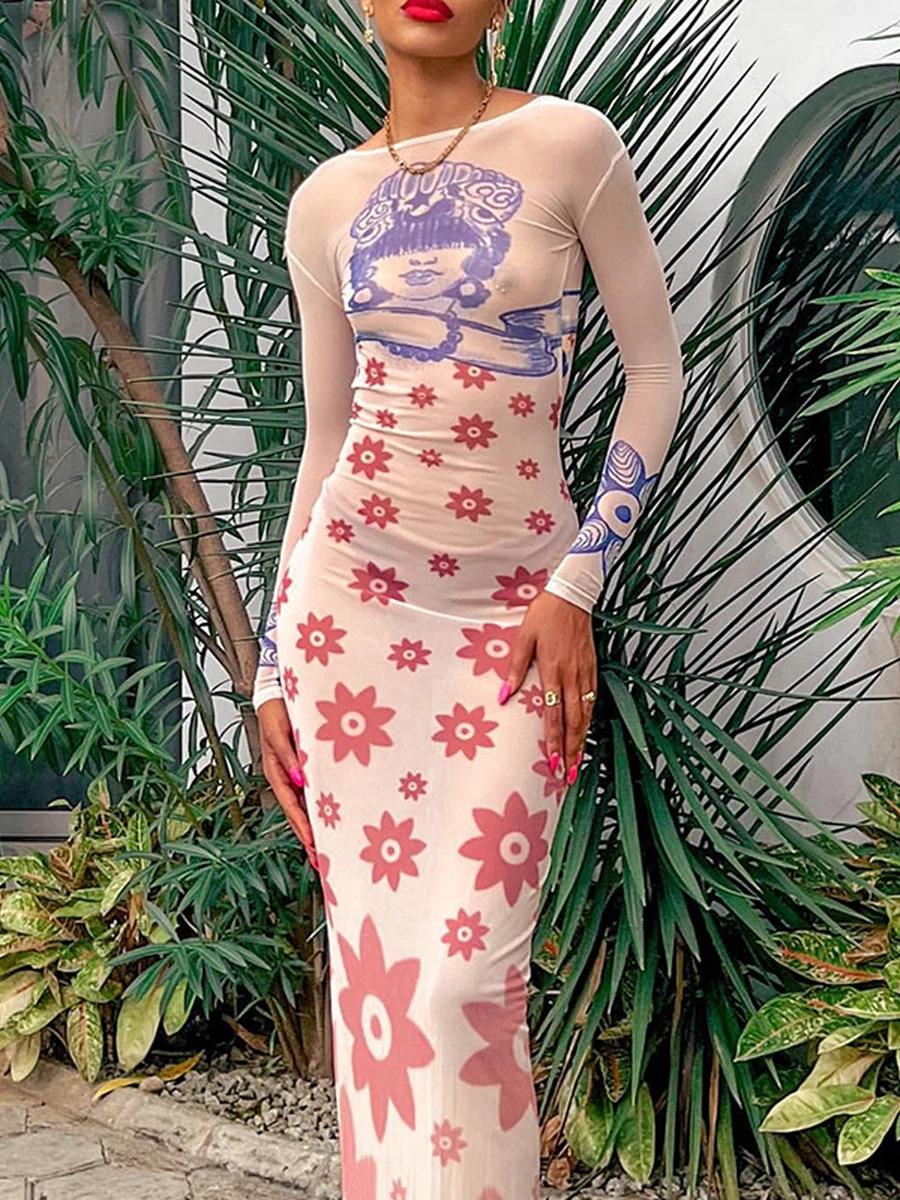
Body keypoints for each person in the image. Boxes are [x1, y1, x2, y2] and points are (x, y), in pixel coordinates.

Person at [252, 0, 684, 1194]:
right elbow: (322, 442)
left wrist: (579, 581)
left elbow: (656, 371)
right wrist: (273, 664)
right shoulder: (324, 200)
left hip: (517, 627)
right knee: (380, 983)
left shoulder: (571, 143)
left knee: (461, 983)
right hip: (350, 620)